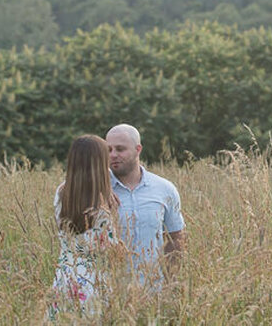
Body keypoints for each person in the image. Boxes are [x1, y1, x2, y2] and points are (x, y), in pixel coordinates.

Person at [47, 135, 123, 319]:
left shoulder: (62, 192)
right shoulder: (105, 202)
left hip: (64, 278)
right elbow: (111, 250)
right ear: (100, 162)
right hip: (92, 282)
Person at [105, 123, 185, 287]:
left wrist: (171, 284)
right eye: (109, 150)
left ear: (138, 149)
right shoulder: (95, 189)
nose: (113, 155)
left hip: (153, 288)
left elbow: (175, 239)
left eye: (120, 149)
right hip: (109, 292)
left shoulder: (164, 189)